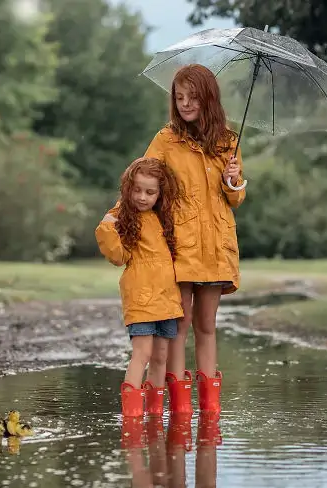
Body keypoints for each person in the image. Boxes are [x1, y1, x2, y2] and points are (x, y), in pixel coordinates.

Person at [143, 63, 247, 415]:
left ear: (208, 98)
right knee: (179, 323)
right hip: (181, 244)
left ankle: (209, 407)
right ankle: (180, 407)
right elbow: (143, 179)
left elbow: (234, 198)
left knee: (206, 323)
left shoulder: (228, 142)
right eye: (179, 97)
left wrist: (233, 178)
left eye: (193, 97)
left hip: (217, 246)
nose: (186, 103)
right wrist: (120, 215)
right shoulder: (166, 140)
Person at [95, 157, 183, 418]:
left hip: (167, 298)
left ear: (159, 193)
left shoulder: (162, 218)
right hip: (141, 298)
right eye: (137, 190)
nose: (142, 197)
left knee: (160, 357)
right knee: (142, 354)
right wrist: (107, 228)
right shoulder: (124, 217)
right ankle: (132, 414)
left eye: (150, 192)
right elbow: (118, 257)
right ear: (127, 189)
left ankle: (154, 414)